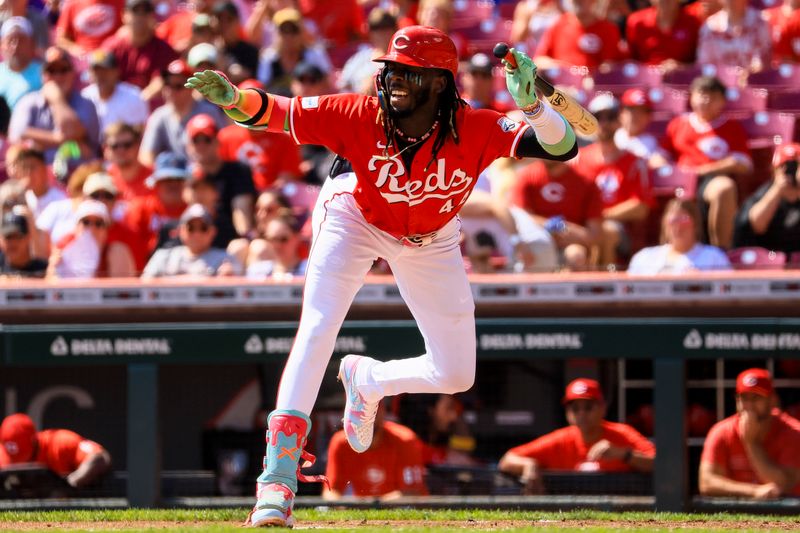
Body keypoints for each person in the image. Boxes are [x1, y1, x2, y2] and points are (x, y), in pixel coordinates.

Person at [187, 25, 577, 526]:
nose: (393, 80)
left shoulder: (475, 125)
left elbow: (562, 147)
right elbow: (274, 112)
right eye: (390, 70)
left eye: (408, 74)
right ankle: (277, 480)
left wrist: (534, 107)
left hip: (432, 238)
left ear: (439, 82)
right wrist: (233, 98)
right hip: (356, 216)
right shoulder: (356, 112)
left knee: (457, 374)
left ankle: (368, 379)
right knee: (319, 325)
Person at [498, 378, 655, 495]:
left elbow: (661, 465)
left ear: (602, 408)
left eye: (588, 407)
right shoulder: (560, 439)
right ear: (567, 413)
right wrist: (529, 465)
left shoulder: (622, 434)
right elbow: (507, 460)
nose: (581, 414)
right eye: (575, 408)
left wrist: (624, 454)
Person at [652, 75, 751, 250]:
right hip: (680, 181)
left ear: (722, 101)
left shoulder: (731, 127)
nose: (705, 100)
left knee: (724, 187)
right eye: (701, 94)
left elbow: (743, 163)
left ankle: (721, 250)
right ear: (691, 97)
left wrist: (705, 170)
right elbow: (658, 156)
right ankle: (670, 251)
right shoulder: (678, 124)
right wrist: (667, 169)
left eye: (712, 96)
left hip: (710, 179)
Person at [574, 94, 651, 267]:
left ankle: (601, 286)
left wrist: (601, 217)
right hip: (585, 226)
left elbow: (641, 207)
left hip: (621, 230)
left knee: (606, 230)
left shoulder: (634, 162)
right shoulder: (579, 159)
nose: (604, 123)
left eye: (610, 117)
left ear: (619, 120)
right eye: (598, 118)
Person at [699, 368, 800, 499]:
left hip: (786, 514)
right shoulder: (721, 431)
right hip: (735, 515)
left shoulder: (793, 432)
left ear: (772, 400)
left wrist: (751, 443)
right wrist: (753, 491)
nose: (749, 405)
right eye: (744, 398)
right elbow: (706, 483)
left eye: (756, 397)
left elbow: (785, 484)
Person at [8, 46, 100, 165]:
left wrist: (57, 99)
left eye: (63, 70)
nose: (58, 77)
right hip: (38, 175)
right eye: (51, 71)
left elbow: (72, 132)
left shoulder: (86, 103)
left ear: (73, 73)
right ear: (42, 75)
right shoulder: (28, 101)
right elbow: (17, 135)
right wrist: (59, 139)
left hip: (78, 175)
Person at [510, 159, 603, 271]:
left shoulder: (586, 179)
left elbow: (595, 234)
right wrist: (554, 226)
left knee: (576, 255)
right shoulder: (527, 175)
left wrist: (571, 232)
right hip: (538, 240)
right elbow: (519, 216)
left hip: (570, 244)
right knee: (530, 252)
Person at [322, 401, 427, 500]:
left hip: (402, 513)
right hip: (361, 513)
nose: (367, 417)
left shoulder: (405, 439)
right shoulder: (341, 442)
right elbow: (330, 492)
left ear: (383, 410)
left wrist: (370, 505)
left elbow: (413, 493)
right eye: (360, 410)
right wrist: (351, 508)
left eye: (373, 410)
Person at [0, 413, 111, 489]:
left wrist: (69, 483)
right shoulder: (2, 455)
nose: (18, 460)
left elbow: (100, 457)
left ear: (34, 439)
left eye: (22, 453)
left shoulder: (60, 442)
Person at [627, 198, 731, 274]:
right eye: (673, 220)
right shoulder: (644, 257)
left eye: (683, 219)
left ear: (696, 224)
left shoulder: (714, 257)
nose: (678, 226)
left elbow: (729, 295)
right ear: (664, 225)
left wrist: (702, 283)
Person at [732, 142, 800, 255]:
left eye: (796, 166)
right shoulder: (764, 193)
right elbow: (756, 225)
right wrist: (777, 189)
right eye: (785, 166)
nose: (791, 171)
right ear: (774, 170)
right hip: (769, 260)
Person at [141, 203, 242, 278]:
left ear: (213, 231)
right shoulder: (163, 257)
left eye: (203, 228)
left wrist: (228, 277)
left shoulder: (225, 259)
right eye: (191, 228)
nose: (196, 234)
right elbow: (145, 288)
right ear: (180, 230)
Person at [81, 48, 149, 135]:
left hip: (123, 147)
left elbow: (140, 132)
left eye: (105, 70)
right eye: (96, 71)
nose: (101, 75)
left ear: (116, 72)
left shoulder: (133, 96)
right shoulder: (85, 97)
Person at [697, 0, 772, 73]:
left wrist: (757, 67)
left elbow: (766, 56)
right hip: (721, 82)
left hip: (754, 80)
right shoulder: (710, 27)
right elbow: (705, 64)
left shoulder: (760, 21)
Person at [625, 0, 701, 68]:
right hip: (645, 80)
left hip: (681, 80)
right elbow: (630, 61)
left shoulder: (694, 21)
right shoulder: (636, 22)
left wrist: (682, 67)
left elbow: (700, 62)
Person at [0, 17, 43, 109]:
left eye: (21, 40)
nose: (15, 46)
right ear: (2, 44)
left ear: (32, 44)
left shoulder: (44, 74)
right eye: (10, 40)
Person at [0, 208, 48, 277]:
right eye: (8, 237)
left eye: (17, 237)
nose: (12, 242)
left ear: (28, 238)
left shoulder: (43, 270)